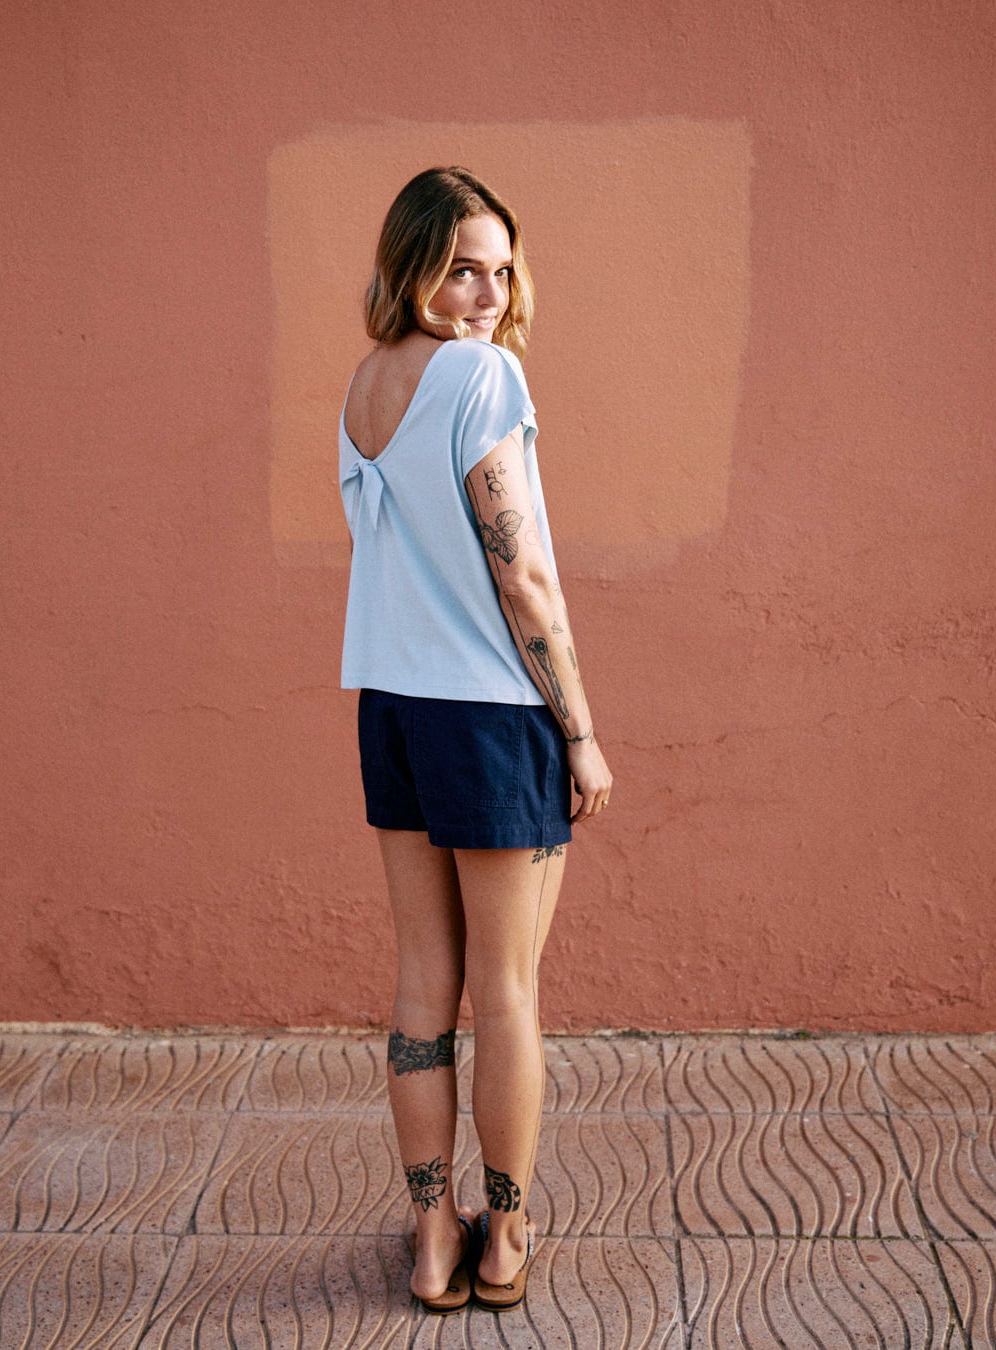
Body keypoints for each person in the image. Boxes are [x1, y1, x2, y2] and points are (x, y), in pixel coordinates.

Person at [338, 166, 613, 1314]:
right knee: (504, 993)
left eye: (502, 269)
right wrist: (583, 733)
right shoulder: (483, 377)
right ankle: (501, 1236)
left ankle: (427, 1237)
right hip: (495, 714)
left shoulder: (364, 385)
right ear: (410, 266)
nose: (486, 294)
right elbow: (526, 577)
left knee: (420, 989)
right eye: (460, 268)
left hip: (390, 703)